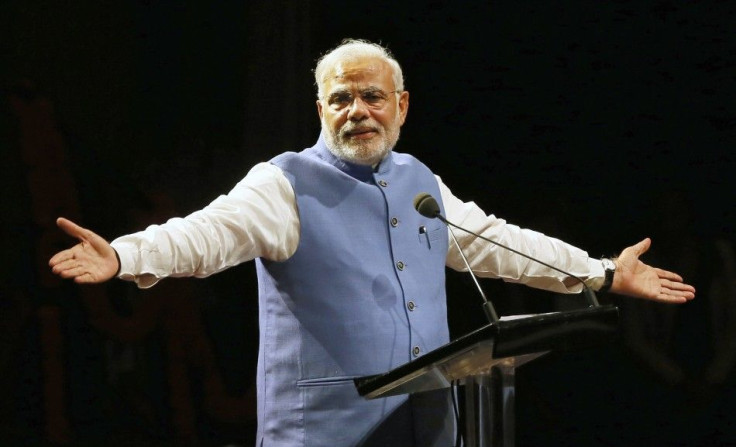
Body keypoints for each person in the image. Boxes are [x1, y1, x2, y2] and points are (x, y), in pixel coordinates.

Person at [49, 38, 695, 446]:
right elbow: (207, 233)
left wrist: (604, 274)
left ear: (403, 105)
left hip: (426, 424)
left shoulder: (420, 183)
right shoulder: (283, 182)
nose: (357, 110)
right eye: (340, 99)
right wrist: (124, 254)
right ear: (320, 110)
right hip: (325, 431)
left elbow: (499, 243)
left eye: (371, 96)